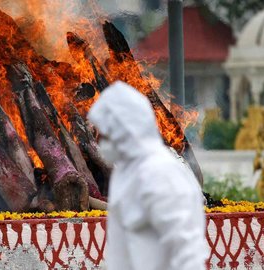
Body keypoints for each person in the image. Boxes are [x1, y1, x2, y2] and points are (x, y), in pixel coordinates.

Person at [87, 81, 208, 270]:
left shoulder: (161, 172)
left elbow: (185, 252)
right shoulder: (126, 173)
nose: (99, 142)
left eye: (104, 134)